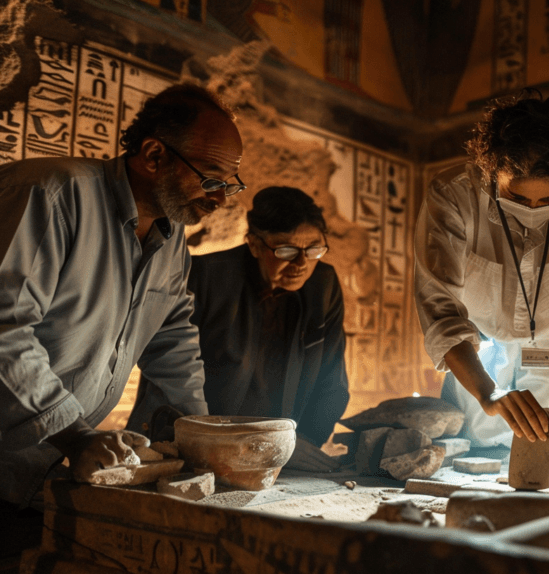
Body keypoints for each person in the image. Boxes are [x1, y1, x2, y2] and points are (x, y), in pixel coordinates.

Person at [0, 84, 243, 552]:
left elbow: (171, 336)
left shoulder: (171, 240)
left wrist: (199, 436)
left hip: (43, 475)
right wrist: (75, 435)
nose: (221, 199)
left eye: (230, 185)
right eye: (211, 179)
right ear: (154, 155)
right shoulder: (51, 196)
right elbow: (6, 330)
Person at [414, 92, 549, 448]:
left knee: (546, 450)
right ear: (491, 172)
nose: (532, 210)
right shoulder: (452, 196)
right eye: (517, 198)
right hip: (476, 358)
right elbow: (440, 309)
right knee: (467, 453)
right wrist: (487, 394)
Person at [180, 186, 349, 472]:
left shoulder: (324, 285)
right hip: (201, 445)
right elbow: (179, 376)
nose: (301, 264)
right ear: (254, 244)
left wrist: (298, 443)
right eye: (286, 249)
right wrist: (223, 445)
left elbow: (331, 378)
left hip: (283, 452)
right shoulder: (206, 277)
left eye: (314, 249)